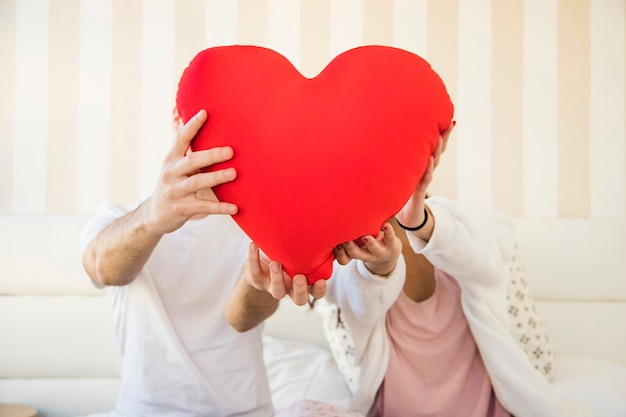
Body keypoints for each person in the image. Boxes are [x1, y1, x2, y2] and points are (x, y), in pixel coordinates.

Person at [226, 122, 594, 417]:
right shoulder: (341, 253)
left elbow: (491, 247)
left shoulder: (461, 229)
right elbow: (351, 300)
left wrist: (421, 222)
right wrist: (383, 265)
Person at [80, 108, 325, 417]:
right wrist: (151, 216)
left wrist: (260, 280)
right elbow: (102, 268)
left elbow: (241, 320)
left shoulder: (257, 228)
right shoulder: (115, 219)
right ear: (177, 120)